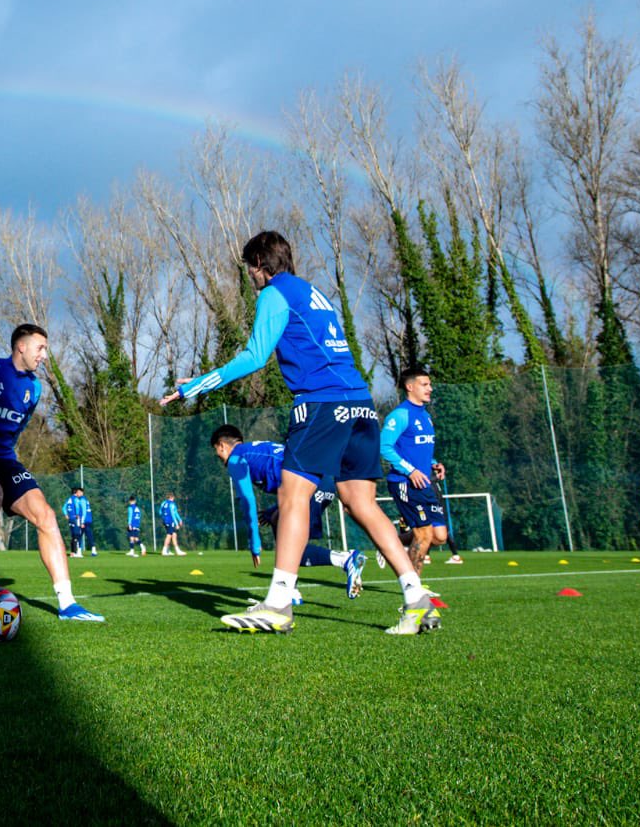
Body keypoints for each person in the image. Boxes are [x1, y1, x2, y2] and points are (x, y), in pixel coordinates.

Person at [161, 230, 438, 635]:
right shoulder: (313, 292)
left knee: (293, 494)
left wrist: (195, 385)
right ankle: (417, 597)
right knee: (362, 503)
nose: (250, 277)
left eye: (249, 269)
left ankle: (277, 604)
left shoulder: (274, 293)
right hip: (361, 404)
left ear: (259, 264)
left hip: (323, 405)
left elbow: (256, 355)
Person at [0, 324, 103, 624]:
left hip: (5, 460)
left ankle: (68, 604)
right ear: (21, 347)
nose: (44, 355)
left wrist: (9, 463)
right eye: (40, 348)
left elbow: (15, 430)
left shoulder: (35, 389)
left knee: (47, 517)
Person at [210, 425, 366, 599]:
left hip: (312, 486)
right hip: (320, 482)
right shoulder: (255, 450)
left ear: (222, 445)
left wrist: (254, 541)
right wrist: (272, 511)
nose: (219, 457)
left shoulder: (236, 458)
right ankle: (290, 590)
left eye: (217, 451)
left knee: (292, 550)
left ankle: (345, 559)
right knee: (280, 528)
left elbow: (247, 500)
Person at [380, 366, 449, 569]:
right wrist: (409, 471)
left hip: (424, 482)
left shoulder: (425, 416)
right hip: (405, 483)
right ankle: (414, 589)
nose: (430, 389)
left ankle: (390, 544)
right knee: (424, 534)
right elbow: (384, 446)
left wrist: (433, 463)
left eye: (430, 384)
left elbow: (417, 448)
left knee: (439, 536)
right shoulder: (400, 415)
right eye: (424, 384)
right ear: (410, 387)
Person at [63, 487, 97, 557]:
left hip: (83, 520)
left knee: (79, 535)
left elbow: (83, 512)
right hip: (87, 520)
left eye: (79, 492)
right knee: (85, 535)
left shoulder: (81, 500)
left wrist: (82, 522)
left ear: (81, 493)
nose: (78, 493)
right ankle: (83, 551)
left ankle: (79, 552)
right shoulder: (84, 499)